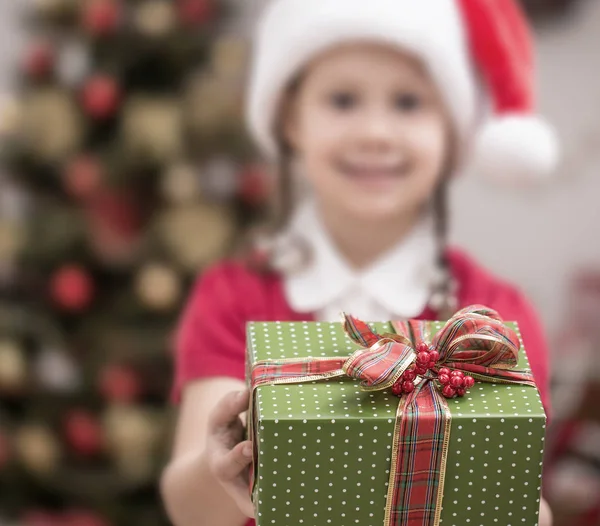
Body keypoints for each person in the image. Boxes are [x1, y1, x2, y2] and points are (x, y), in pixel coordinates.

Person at [160, 0, 560, 525]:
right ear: (291, 118)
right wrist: (219, 467)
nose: (375, 132)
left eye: (409, 102)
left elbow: (524, 502)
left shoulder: (491, 318)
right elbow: (190, 510)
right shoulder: (235, 295)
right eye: (343, 99)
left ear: (451, 129)